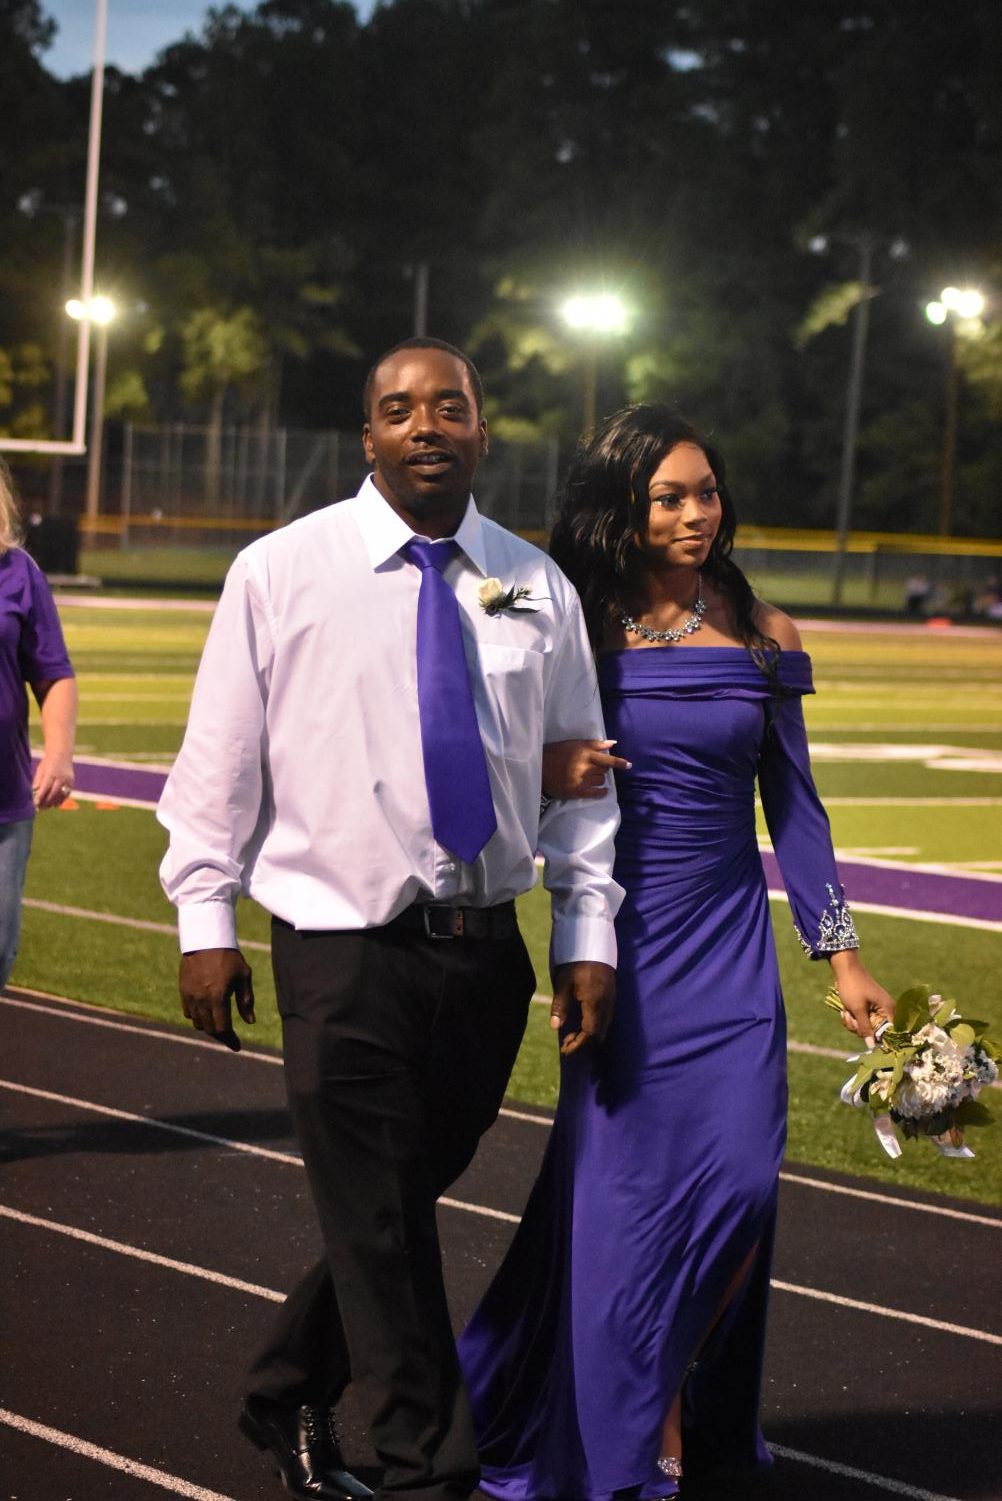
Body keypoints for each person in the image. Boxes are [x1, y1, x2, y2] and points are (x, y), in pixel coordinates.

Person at [157, 339, 623, 1501]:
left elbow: (581, 776)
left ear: (481, 430)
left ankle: (282, 1385)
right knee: (378, 1209)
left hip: (482, 957)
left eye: (449, 407)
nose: (427, 425)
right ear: (366, 436)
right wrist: (202, 914)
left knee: (394, 1206)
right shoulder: (280, 570)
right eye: (400, 409)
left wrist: (583, 936)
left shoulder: (534, 583)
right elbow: (218, 758)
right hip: (338, 949)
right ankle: (429, 1472)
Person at [458, 405, 894, 1498]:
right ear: (623, 507)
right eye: (670, 496)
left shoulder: (764, 628)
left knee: (740, 1187)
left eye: (706, 491)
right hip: (615, 943)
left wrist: (840, 958)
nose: (697, 512)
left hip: (731, 949)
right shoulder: (562, 605)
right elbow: (449, 611)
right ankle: (642, 1423)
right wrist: (536, 760)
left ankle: (662, 1389)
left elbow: (796, 806)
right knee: (625, 1205)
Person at [0, 460, 77, 991]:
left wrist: (58, 752)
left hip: (4, 802)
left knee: (1, 946)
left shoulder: (19, 572)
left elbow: (53, 674)